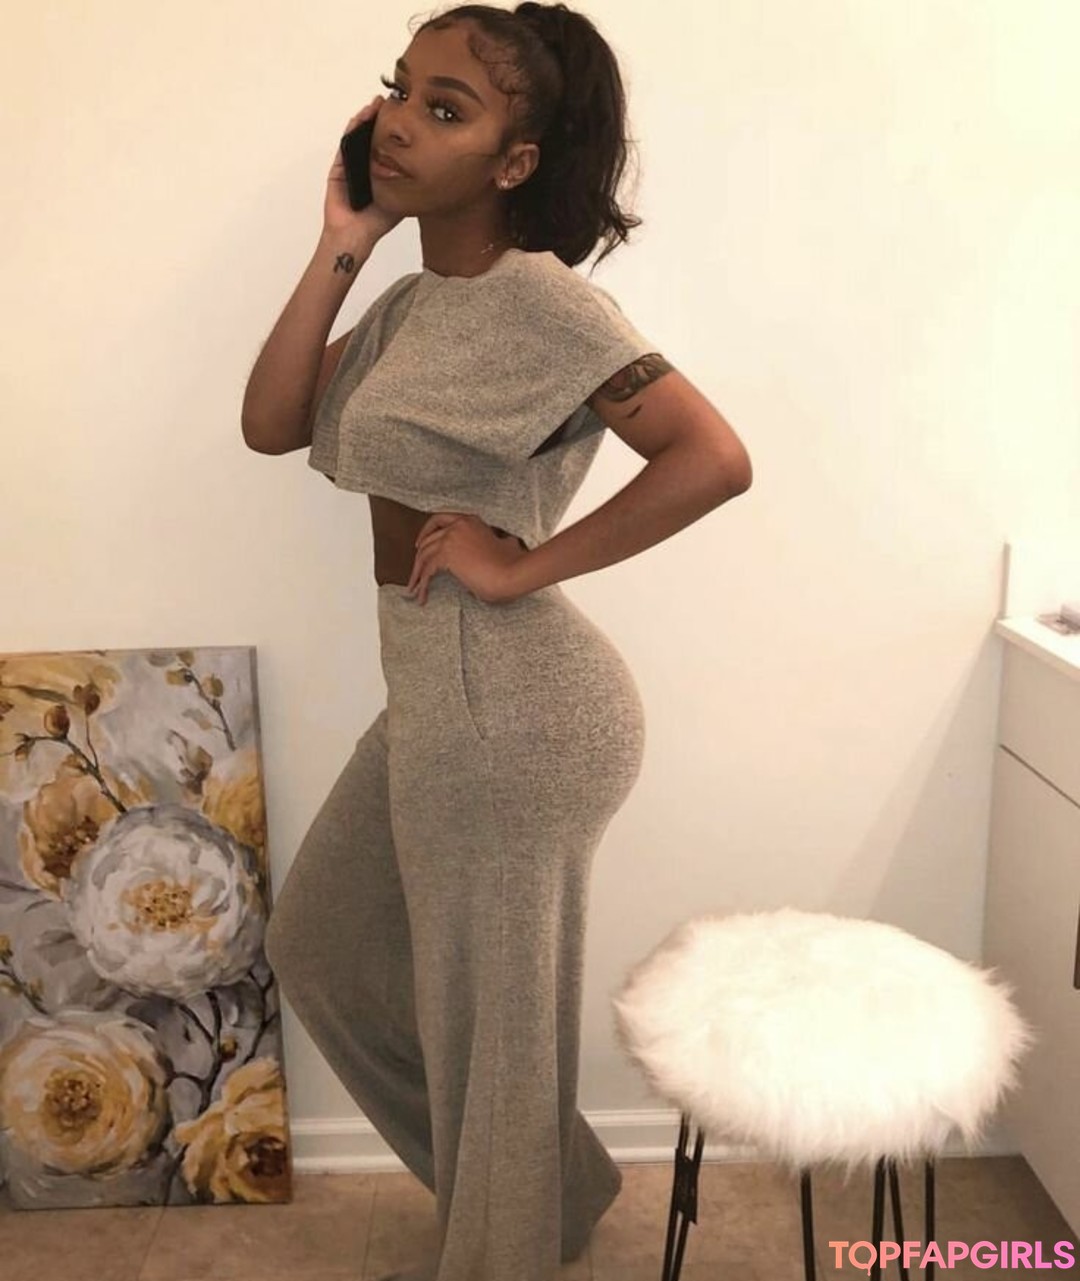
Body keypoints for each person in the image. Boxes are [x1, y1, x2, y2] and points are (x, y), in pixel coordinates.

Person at [246, 4, 752, 1279]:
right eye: (399, 89)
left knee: (497, 1032)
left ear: (515, 162)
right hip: (436, 695)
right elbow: (272, 421)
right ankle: (548, 1192)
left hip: (513, 710)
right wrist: (343, 244)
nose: (399, 122)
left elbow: (712, 457)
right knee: (322, 948)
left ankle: (501, 1246)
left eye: (446, 108)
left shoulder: (545, 302)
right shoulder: (414, 303)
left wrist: (522, 565)